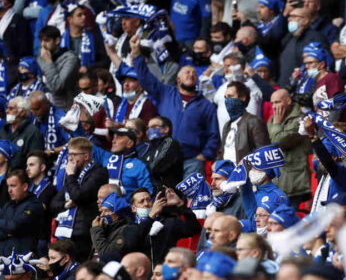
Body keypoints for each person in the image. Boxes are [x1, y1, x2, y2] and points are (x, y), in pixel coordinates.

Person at [129, 36, 220, 176]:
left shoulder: (206, 105)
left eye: (194, 73)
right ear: (178, 79)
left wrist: (203, 156)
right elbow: (145, 77)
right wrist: (136, 54)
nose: (191, 74)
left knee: (192, 197)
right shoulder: (165, 92)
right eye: (187, 72)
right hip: (164, 157)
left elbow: (214, 135)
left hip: (192, 160)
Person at [49, 137, 108, 260]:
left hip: (83, 234)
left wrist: (70, 175)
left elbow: (79, 196)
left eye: (73, 154)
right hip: (66, 232)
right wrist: (66, 205)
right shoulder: (74, 176)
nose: (69, 158)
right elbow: (54, 204)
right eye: (68, 154)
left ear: (86, 156)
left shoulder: (99, 172)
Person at [267, 90, 312, 207]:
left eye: (277, 102)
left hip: (295, 183)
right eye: (272, 103)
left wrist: (276, 124)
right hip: (278, 183)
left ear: (288, 101)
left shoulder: (301, 119)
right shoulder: (272, 120)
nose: (274, 107)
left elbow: (279, 143)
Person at [221, 81, 269, 164]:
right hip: (227, 175)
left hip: (246, 174)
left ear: (242, 97)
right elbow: (221, 151)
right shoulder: (227, 125)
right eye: (225, 97)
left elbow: (263, 154)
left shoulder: (254, 122)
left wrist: (247, 163)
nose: (227, 100)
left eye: (230, 96)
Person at [0, 170, 43, 255]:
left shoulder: (34, 205)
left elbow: (14, 226)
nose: (9, 190)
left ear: (24, 187)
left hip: (22, 259)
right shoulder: (8, 205)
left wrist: (9, 229)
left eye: (13, 186)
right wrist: (7, 231)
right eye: (8, 186)